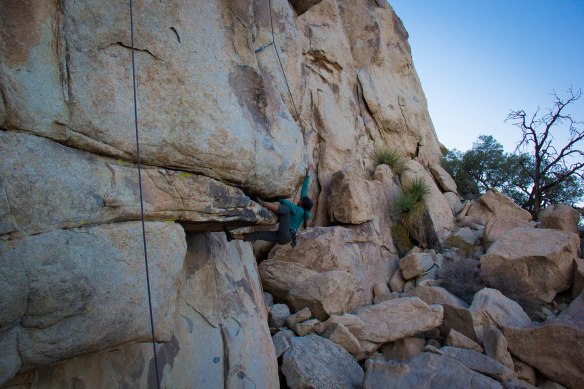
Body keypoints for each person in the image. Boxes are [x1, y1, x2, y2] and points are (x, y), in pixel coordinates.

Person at [224, 166, 313, 246]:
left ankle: (262, 203)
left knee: (285, 210)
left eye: (300, 201)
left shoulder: (299, 210)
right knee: (258, 235)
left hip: (286, 234)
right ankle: (232, 236)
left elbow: (287, 204)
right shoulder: (306, 212)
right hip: (284, 239)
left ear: (302, 204)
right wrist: (308, 174)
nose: (298, 201)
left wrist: (278, 199)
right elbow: (304, 192)